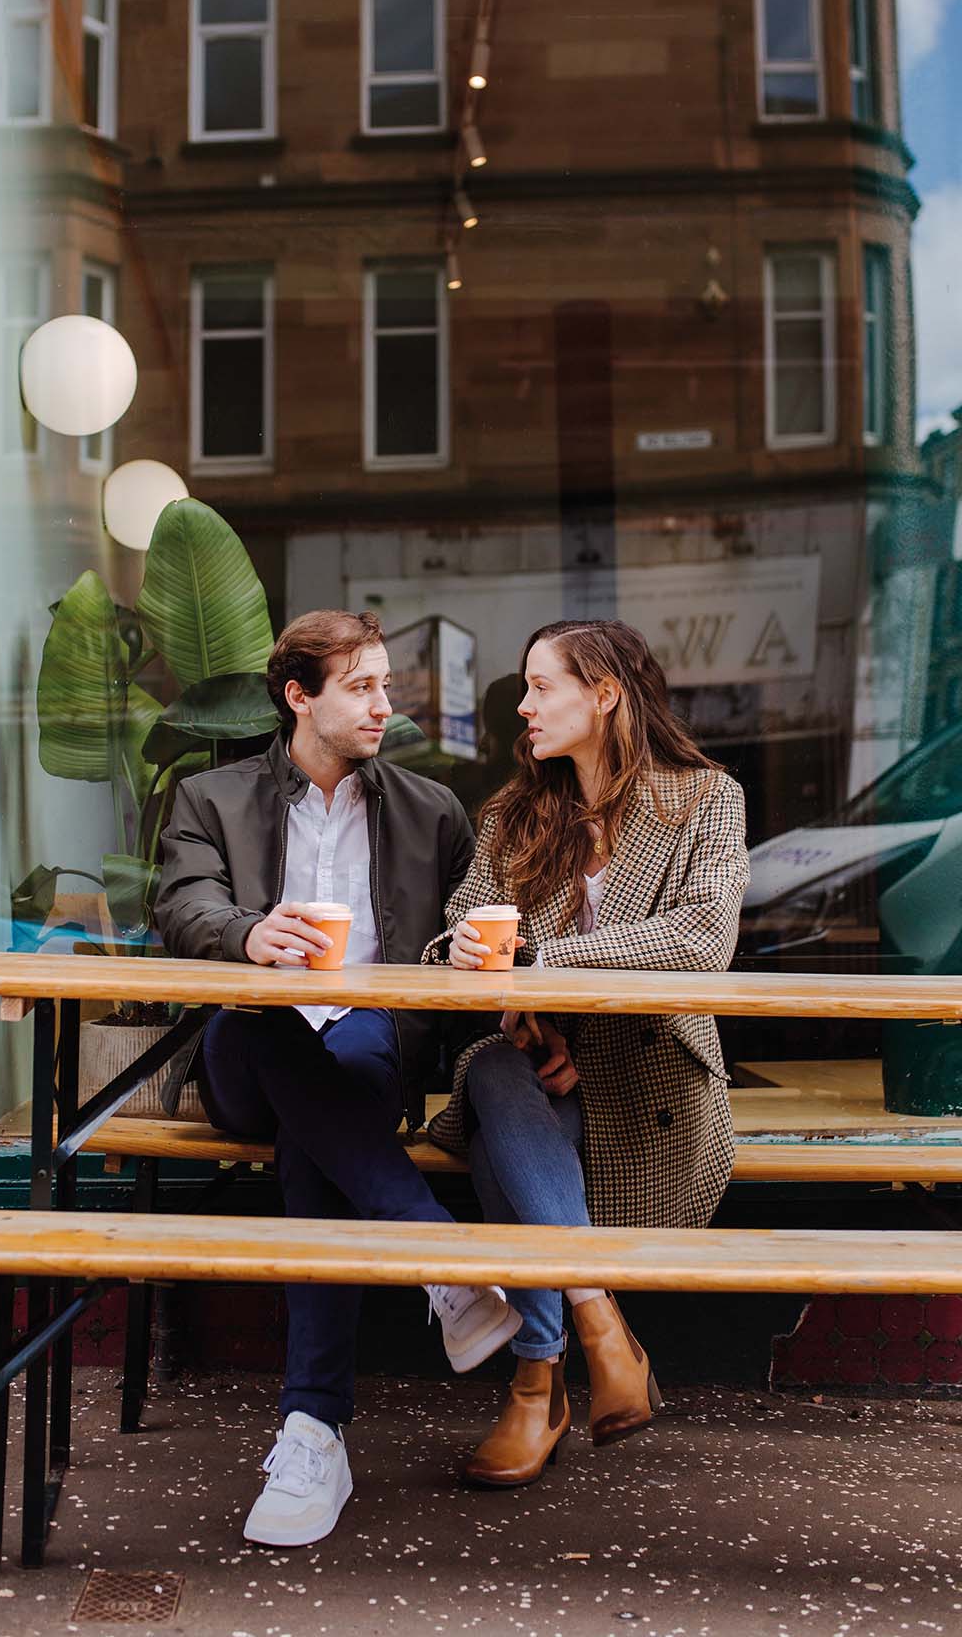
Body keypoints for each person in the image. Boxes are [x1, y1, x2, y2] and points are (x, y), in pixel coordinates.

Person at [155, 609, 521, 1546]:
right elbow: (184, 899)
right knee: (284, 1036)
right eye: (361, 686)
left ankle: (312, 1428)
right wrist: (246, 934)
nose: (383, 706)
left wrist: (480, 963)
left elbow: (461, 930)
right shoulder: (213, 797)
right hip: (248, 1045)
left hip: (368, 1051)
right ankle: (442, 1262)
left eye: (387, 686)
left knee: (337, 1088)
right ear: (298, 697)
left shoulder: (429, 810)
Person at [423, 619, 749, 1489]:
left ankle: (538, 1382)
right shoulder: (513, 813)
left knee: (494, 1124)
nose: (522, 707)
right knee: (494, 1067)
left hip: (652, 1090)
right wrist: (482, 974)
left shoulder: (703, 800)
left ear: (605, 693)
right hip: (538, 1074)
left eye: (542, 686)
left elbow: (702, 938)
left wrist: (538, 966)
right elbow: (456, 932)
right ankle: (595, 1314)